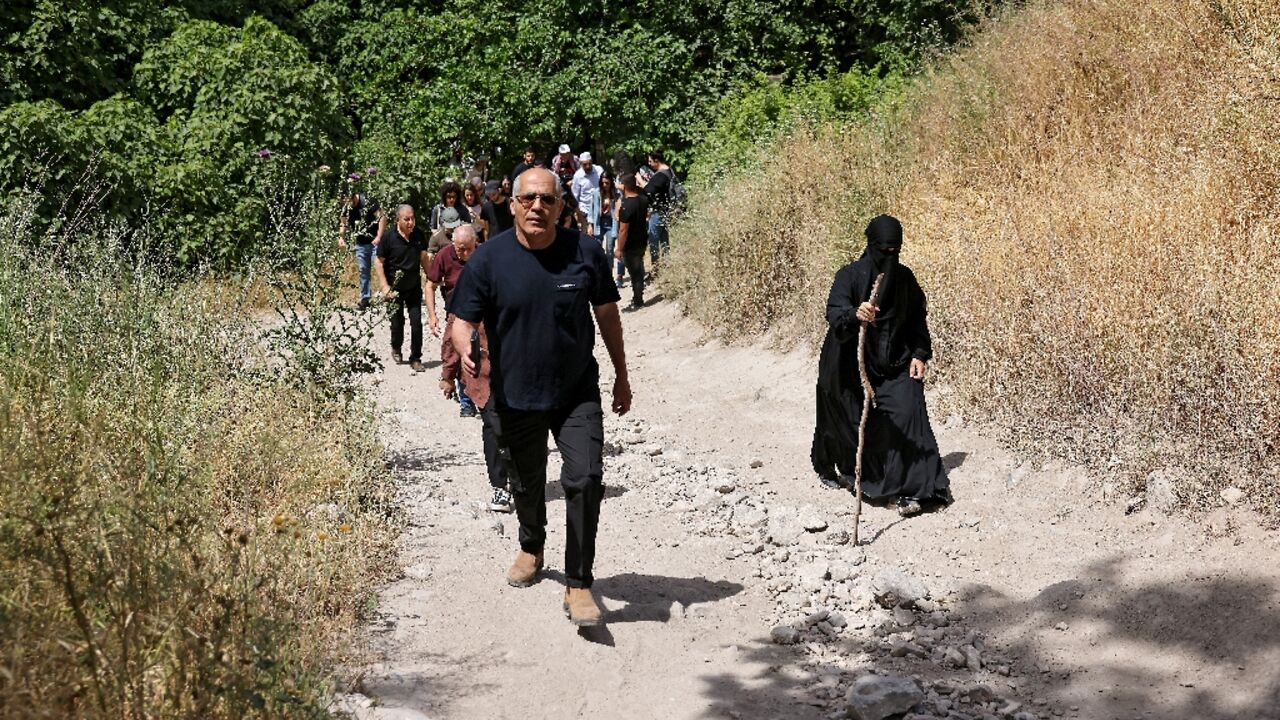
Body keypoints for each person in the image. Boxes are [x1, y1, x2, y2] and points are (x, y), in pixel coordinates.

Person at [449, 167, 631, 627]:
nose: (537, 206)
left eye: (547, 199)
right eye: (528, 198)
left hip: (576, 392)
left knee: (585, 478)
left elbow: (608, 316)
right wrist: (465, 346)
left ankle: (579, 583)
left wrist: (622, 375)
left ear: (560, 206)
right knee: (526, 483)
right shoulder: (489, 260)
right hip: (515, 394)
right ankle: (532, 546)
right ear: (512, 204)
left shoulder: (585, 252)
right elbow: (462, 320)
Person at [811, 214, 952, 517]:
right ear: (871, 245)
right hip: (848, 363)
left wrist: (919, 354)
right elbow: (834, 312)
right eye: (884, 249)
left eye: (895, 250)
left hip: (894, 362)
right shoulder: (850, 275)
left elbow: (917, 319)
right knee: (844, 420)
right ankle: (844, 469)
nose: (890, 256)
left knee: (908, 408)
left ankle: (914, 487)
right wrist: (854, 313)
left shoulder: (904, 279)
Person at [436, 262, 514, 513]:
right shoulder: (468, 298)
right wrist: (448, 376)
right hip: (482, 374)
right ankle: (500, 486)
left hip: (517, 373)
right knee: (494, 427)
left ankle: (520, 477)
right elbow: (451, 337)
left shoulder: (517, 292)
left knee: (520, 426)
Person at [427, 224, 480, 417]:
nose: (464, 253)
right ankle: (466, 400)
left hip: (482, 313)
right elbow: (430, 286)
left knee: (481, 355)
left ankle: (481, 397)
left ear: (475, 243)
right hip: (457, 312)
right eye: (460, 249)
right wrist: (432, 316)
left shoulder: (485, 254)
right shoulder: (444, 255)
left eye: (468, 249)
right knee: (454, 351)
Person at [376, 205, 431, 372]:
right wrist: (385, 287)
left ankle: (416, 358)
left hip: (413, 287)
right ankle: (396, 347)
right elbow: (379, 262)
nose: (411, 222)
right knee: (397, 323)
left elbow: (423, 258)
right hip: (394, 289)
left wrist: (431, 277)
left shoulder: (419, 234)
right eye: (407, 219)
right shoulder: (388, 237)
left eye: (413, 218)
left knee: (417, 323)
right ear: (397, 220)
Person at [339, 191, 382, 309]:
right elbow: (343, 223)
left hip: (376, 241)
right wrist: (341, 238)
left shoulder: (368, 201)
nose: (346, 205)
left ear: (353, 197)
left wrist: (379, 237)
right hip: (361, 243)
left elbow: (381, 218)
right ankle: (365, 298)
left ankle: (389, 293)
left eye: (348, 201)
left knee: (382, 269)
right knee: (363, 271)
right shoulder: (346, 207)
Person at [614, 173, 649, 311]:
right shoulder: (643, 200)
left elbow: (623, 231)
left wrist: (619, 249)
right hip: (642, 241)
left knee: (635, 274)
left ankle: (638, 300)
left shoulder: (627, 206)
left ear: (624, 186)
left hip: (630, 245)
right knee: (638, 270)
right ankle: (638, 297)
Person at [638, 149, 674, 267]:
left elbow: (649, 191)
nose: (649, 164)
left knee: (653, 240)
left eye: (650, 161)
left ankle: (656, 268)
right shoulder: (668, 171)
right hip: (665, 211)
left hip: (658, 212)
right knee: (664, 241)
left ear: (656, 160)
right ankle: (667, 265)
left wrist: (639, 179)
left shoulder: (661, 175)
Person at [570, 151, 602, 228]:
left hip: (599, 208)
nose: (588, 166)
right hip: (585, 209)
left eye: (589, 164)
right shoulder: (578, 176)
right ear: (581, 164)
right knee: (588, 232)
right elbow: (575, 194)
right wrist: (576, 211)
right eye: (585, 164)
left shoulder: (599, 170)